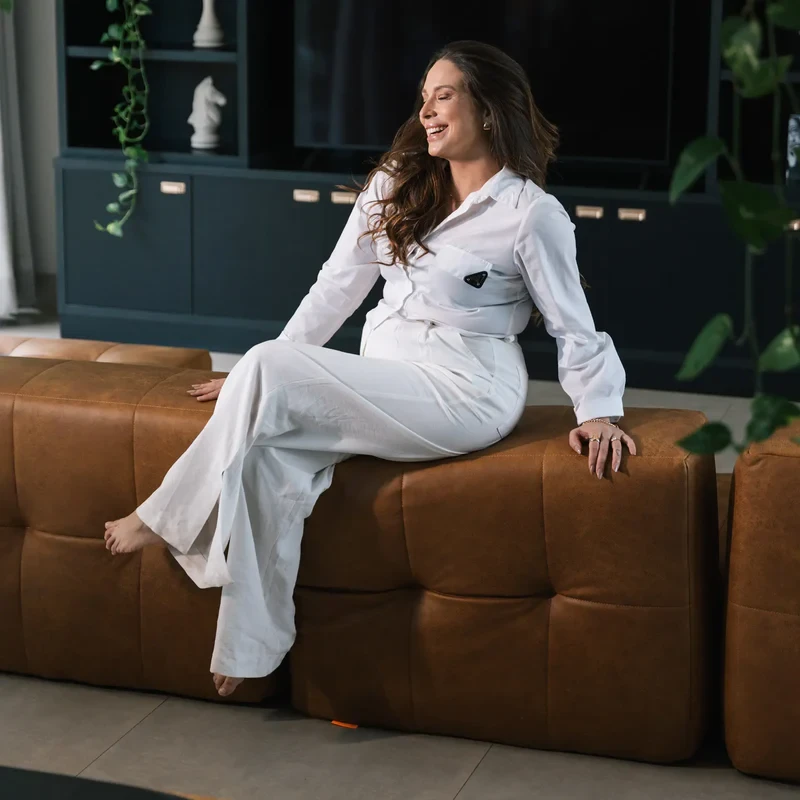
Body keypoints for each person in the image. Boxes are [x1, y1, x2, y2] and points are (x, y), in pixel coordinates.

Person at [103, 40, 637, 699]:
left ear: (489, 109)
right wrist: (255, 383)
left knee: (264, 367)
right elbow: (337, 286)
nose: (427, 111)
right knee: (267, 458)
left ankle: (165, 517)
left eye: (444, 96)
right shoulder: (396, 182)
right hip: (383, 376)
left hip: (468, 393)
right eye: (424, 98)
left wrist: (599, 411)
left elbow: (572, 324)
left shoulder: (530, 214)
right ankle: (252, 646)